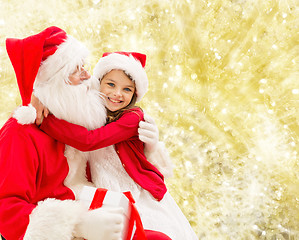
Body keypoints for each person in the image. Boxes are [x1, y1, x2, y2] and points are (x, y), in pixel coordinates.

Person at [0, 27, 170, 240]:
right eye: (76, 70)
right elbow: (6, 211)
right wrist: (78, 226)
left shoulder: (73, 122)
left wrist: (151, 149)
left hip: (91, 207)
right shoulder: (20, 132)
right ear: (55, 80)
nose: (88, 76)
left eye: (85, 66)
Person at [37, 51, 198, 240]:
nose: (117, 94)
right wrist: (42, 99)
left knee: (152, 231)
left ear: (135, 94)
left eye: (127, 89)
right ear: (98, 83)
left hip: (136, 191)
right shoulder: (93, 111)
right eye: (111, 84)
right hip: (106, 191)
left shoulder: (132, 117)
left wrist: (46, 121)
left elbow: (90, 141)